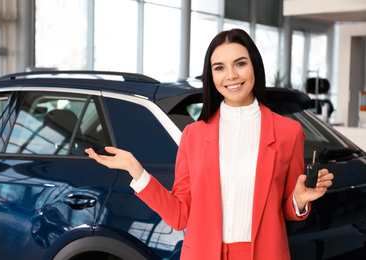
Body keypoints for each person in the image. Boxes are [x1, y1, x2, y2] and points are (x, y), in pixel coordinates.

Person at [85, 29, 334, 260]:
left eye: (240, 63)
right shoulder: (193, 135)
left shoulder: (288, 132)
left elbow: (289, 210)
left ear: (254, 66)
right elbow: (180, 216)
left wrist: (300, 200)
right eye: (219, 68)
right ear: (211, 75)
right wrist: (135, 170)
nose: (231, 75)